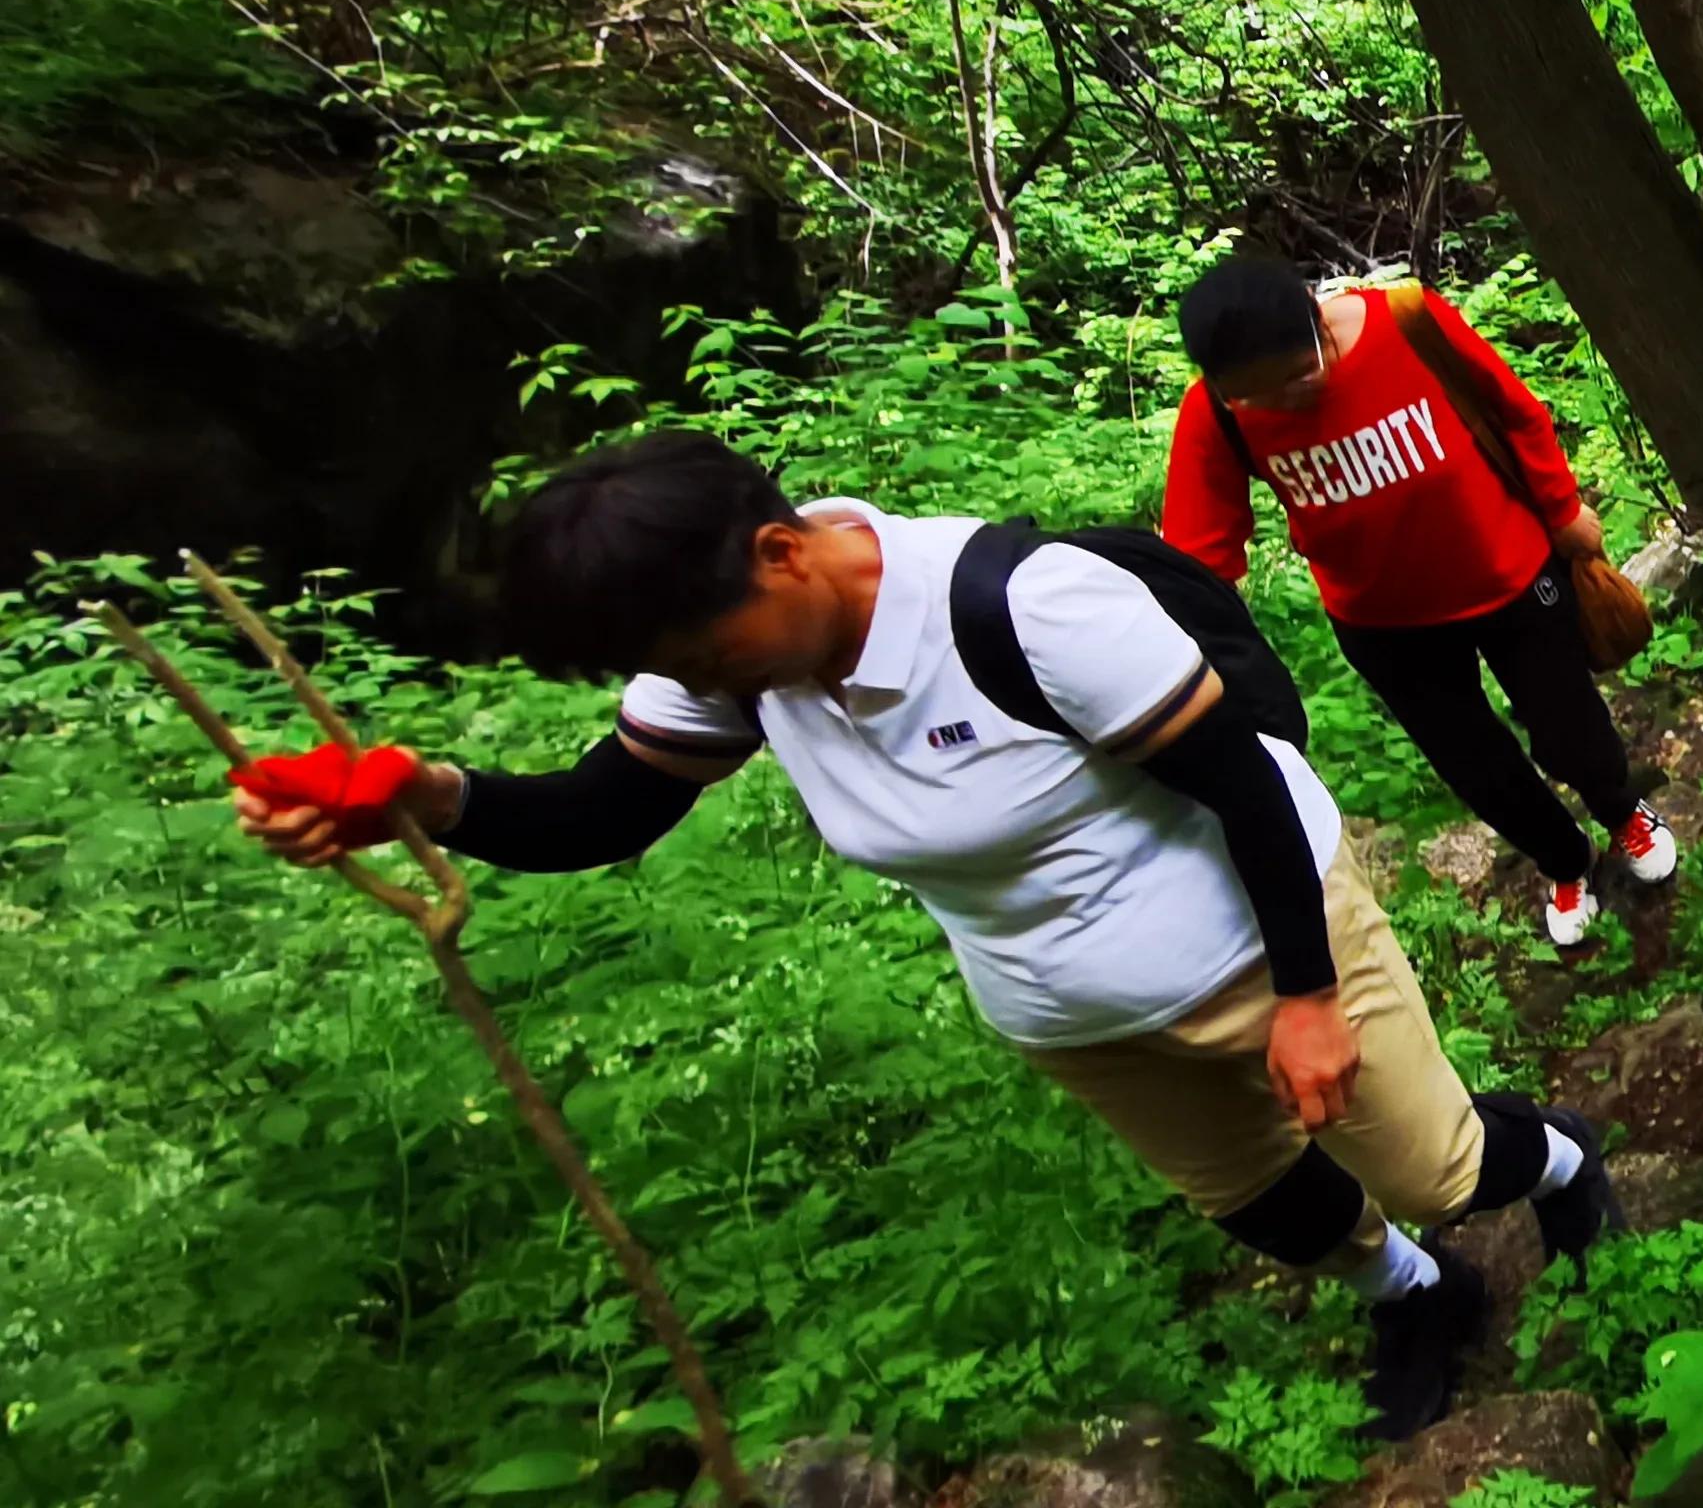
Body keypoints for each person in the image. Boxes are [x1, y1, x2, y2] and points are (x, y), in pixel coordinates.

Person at [225, 433, 1610, 1443]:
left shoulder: (1022, 608)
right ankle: (1412, 1297)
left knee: (1432, 1165)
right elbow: (605, 812)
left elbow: (1240, 783)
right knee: (1252, 1195)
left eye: (707, 655)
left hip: (1261, 938)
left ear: (780, 555)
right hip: (1064, 1003)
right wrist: (420, 797)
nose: (703, 686)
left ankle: (1555, 1159)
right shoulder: (737, 654)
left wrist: (1306, 999)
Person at [1163, 260, 1670, 952]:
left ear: (1317, 324)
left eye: (1294, 379)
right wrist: (1202, 649)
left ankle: (1619, 811)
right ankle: (1564, 859)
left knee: (1568, 725)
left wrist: (1561, 512)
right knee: (1476, 764)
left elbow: (1512, 409)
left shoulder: (1406, 322)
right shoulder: (1217, 415)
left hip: (1509, 572)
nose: (1282, 403)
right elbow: (1200, 553)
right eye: (1258, 397)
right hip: (1382, 622)